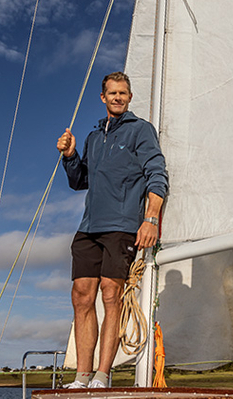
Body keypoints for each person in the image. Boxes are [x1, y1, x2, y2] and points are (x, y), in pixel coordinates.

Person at [56, 71, 167, 389]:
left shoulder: (141, 131)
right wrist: (70, 156)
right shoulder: (93, 137)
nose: (118, 97)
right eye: (112, 93)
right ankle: (82, 376)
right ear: (103, 98)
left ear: (129, 97)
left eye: (123, 93)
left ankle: (102, 376)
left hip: (121, 226)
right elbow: (80, 181)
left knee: (111, 294)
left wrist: (152, 219)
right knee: (80, 296)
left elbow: (156, 173)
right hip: (89, 227)